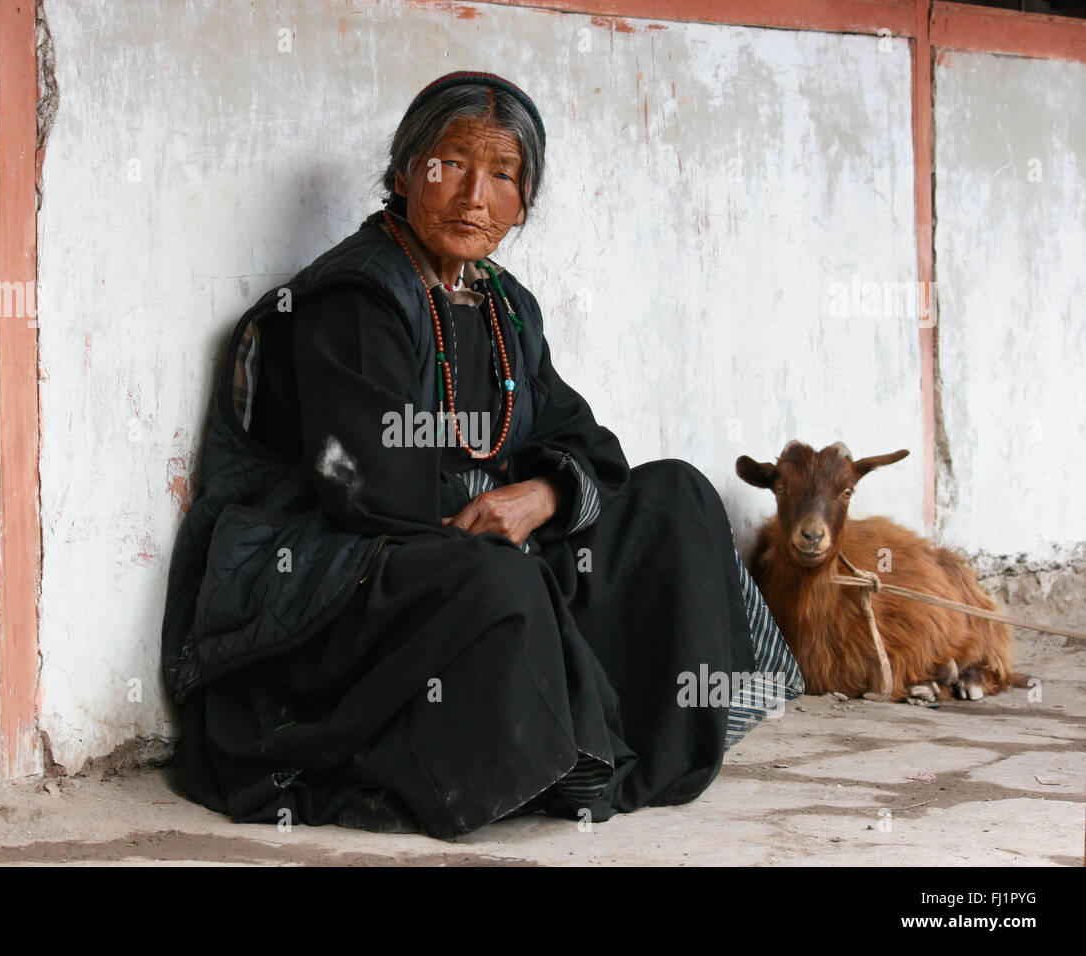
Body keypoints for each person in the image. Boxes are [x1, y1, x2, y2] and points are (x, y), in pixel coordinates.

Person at [161, 71, 801, 839]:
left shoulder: (503, 306)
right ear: (404, 174)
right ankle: (541, 754)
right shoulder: (356, 297)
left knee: (676, 499)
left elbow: (583, 441)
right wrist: (504, 517)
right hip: (343, 559)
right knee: (498, 581)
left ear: (523, 203)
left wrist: (543, 497)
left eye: (502, 175)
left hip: (477, 535)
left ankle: (630, 750)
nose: (474, 195)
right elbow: (368, 487)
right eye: (451, 164)